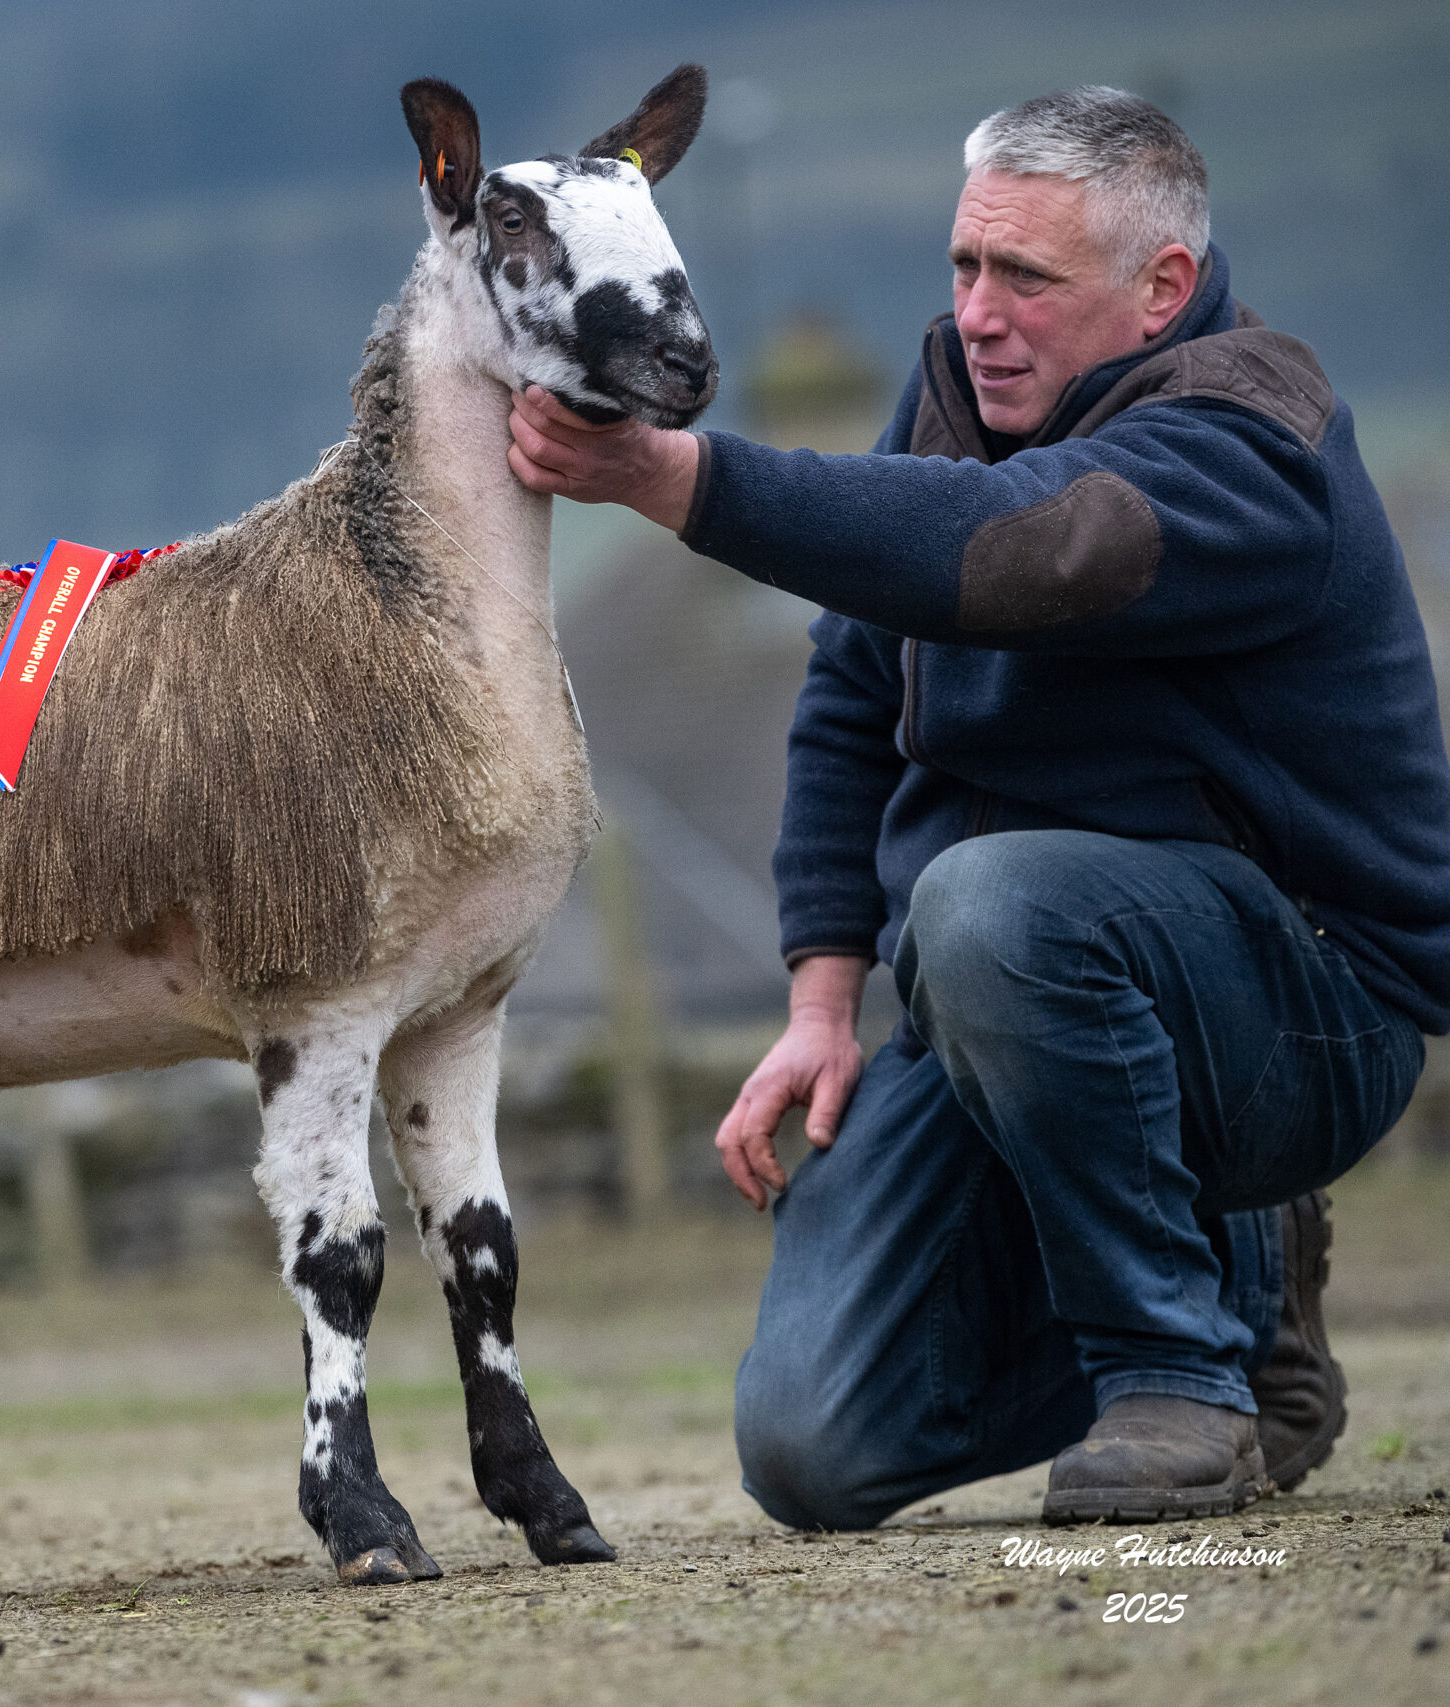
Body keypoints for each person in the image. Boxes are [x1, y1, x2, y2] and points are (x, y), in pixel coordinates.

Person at [509, 85, 1450, 1527]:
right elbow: (848, 690)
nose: (979, 311)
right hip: (1009, 995)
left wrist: (676, 477)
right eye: (964, 267)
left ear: (1163, 292)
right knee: (814, 1450)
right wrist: (822, 999)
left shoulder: (1257, 434)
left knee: (988, 898)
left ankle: (1181, 1381)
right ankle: (1237, 1328)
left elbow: (1030, 552)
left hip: (1303, 1005)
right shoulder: (958, 390)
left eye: (1025, 277)